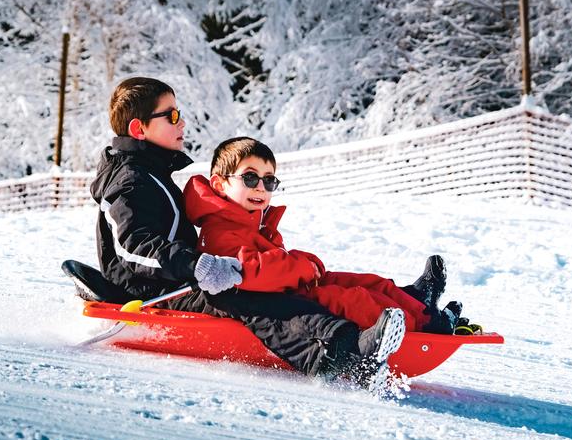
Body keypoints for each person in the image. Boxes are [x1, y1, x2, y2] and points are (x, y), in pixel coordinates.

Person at [90, 77, 407, 391]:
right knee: (251, 298)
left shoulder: (151, 174)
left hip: (177, 280)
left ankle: (361, 332)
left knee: (263, 287)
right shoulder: (130, 182)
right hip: (156, 292)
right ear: (138, 129)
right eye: (171, 115)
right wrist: (197, 266)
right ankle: (340, 355)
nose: (182, 122)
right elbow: (132, 247)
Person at [182, 136, 473, 335]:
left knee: (368, 282)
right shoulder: (218, 231)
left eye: (269, 180)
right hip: (281, 302)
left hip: (291, 287)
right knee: (353, 299)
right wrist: (302, 265)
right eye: (250, 178)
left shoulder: (251, 221)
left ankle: (422, 308)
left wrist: (303, 266)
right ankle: (420, 329)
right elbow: (253, 272)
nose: (261, 187)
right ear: (220, 185)